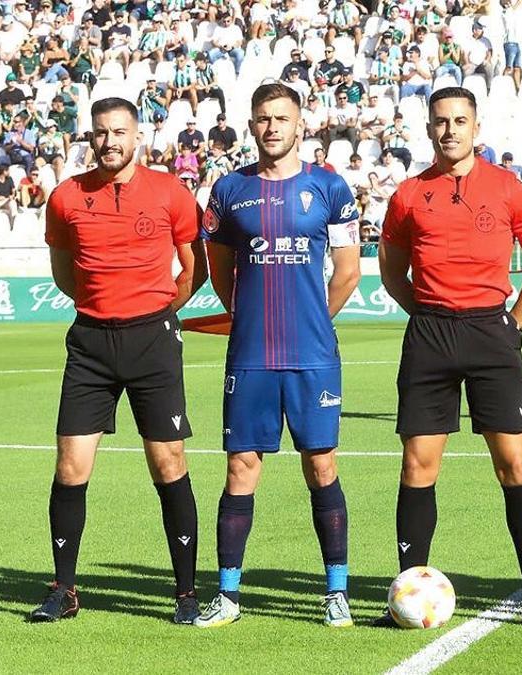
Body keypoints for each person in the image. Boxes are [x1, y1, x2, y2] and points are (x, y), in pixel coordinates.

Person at [376, 87, 522, 628]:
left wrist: (512, 325)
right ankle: (409, 596)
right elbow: (392, 269)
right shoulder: (410, 194)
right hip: (430, 336)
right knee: (418, 465)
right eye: (441, 121)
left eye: (460, 120)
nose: (450, 130)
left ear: (476, 127)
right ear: (429, 128)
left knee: (515, 464)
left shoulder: (508, 188)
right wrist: (425, 312)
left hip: (490, 333)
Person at [30, 97, 207, 624]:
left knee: (169, 463)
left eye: (120, 132)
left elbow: (191, 268)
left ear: (138, 137)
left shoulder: (171, 192)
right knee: (70, 466)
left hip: (152, 339)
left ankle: (185, 593)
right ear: (91, 137)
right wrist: (103, 308)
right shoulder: (65, 197)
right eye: (101, 132)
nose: (110, 141)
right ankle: (64, 589)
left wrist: (155, 312)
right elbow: (65, 273)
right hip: (89, 343)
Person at [192, 83, 362, 629]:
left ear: (300, 124)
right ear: (251, 125)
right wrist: (245, 317)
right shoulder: (228, 190)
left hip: (313, 355)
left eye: (282, 118)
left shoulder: (330, 187)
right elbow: (219, 271)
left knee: (321, 465)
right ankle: (228, 595)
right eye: (263, 119)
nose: (272, 128)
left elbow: (349, 271)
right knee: (241, 467)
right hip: (251, 356)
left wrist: (314, 317)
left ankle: (336, 591)